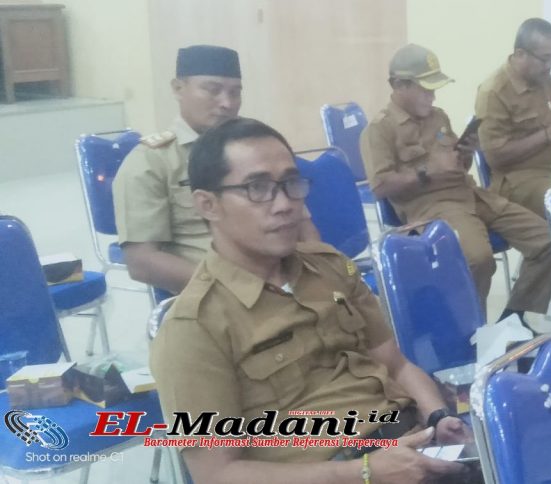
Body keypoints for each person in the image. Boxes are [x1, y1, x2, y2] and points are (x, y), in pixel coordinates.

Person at [150, 117, 472, 483]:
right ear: (208, 205)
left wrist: (438, 418)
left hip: (407, 443)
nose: (285, 204)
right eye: (258, 188)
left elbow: (396, 364)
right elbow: (217, 474)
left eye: (291, 183)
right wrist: (362, 473)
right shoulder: (192, 329)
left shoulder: (329, 266)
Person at [360, 43, 551, 321]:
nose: (432, 96)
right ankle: (470, 332)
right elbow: (380, 186)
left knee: (548, 241)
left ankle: (513, 320)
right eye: (425, 89)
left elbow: (457, 166)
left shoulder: (438, 116)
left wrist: (465, 154)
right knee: (477, 259)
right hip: (432, 207)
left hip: (473, 195)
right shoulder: (379, 129)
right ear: (399, 85)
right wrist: (428, 172)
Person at [113, 45, 317, 294]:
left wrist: (318, 277)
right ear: (178, 88)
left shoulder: (257, 150)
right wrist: (244, 290)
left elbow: (303, 226)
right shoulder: (151, 162)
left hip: (290, 281)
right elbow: (142, 262)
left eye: (235, 92)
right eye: (212, 90)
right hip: (219, 296)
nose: (227, 103)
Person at [474, 18, 551, 218]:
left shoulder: (546, 80)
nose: (550, 65)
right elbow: (495, 157)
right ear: (520, 54)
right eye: (544, 59)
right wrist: (547, 135)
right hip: (515, 179)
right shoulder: (494, 91)